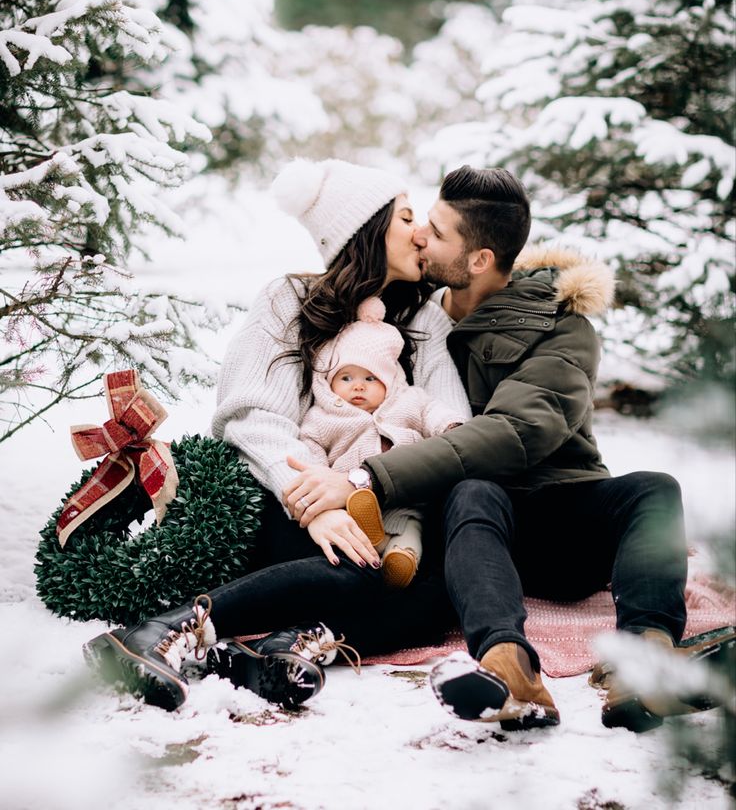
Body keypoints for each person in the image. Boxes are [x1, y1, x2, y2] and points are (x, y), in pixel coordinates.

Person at [285, 164, 731, 733]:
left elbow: (519, 431)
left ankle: (645, 662)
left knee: (654, 489)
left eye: (438, 231)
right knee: (473, 493)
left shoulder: (561, 327)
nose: (420, 234)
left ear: (479, 260)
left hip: (561, 522)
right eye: (423, 219)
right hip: (476, 529)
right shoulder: (413, 316)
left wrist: (368, 478)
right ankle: (510, 671)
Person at [83, 157, 471, 712]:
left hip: (379, 509)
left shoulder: (425, 318)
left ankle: (272, 652)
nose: (422, 231)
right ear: (365, 229)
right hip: (280, 502)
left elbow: (452, 423)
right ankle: (157, 632)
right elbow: (251, 416)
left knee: (437, 594)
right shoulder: (289, 299)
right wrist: (316, 501)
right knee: (360, 571)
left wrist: (369, 488)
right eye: (407, 216)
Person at [299, 295, 468, 587]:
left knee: (410, 529)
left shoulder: (408, 401)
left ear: (389, 380)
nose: (358, 386)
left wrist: (450, 425)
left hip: (406, 497)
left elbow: (432, 412)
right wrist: (318, 480)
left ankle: (400, 562)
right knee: (353, 530)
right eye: (346, 378)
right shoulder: (324, 418)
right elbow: (310, 448)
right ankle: (372, 539)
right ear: (329, 382)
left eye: (370, 378)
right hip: (349, 503)